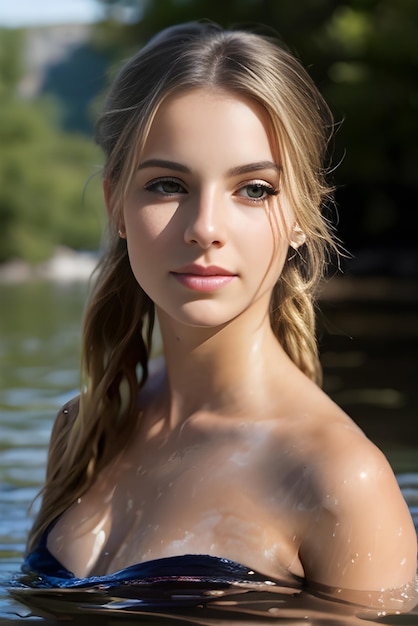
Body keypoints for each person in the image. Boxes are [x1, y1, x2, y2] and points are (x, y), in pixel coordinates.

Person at [24, 21, 416, 608]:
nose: (205, 228)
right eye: (166, 185)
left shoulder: (338, 479)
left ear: (303, 215)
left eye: (254, 188)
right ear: (117, 207)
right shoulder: (85, 430)